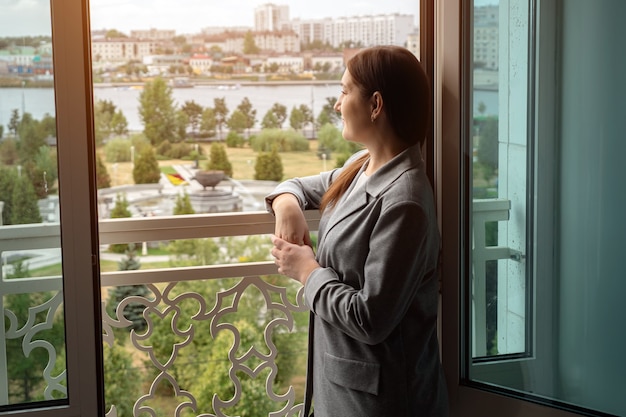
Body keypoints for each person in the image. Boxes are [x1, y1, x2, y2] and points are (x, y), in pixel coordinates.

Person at [266, 45, 448, 417]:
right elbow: (301, 185)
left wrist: (307, 271)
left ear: (376, 104)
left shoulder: (405, 203)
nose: (337, 104)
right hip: (342, 389)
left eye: (345, 91)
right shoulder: (361, 164)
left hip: (382, 401)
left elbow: (371, 318)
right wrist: (286, 203)